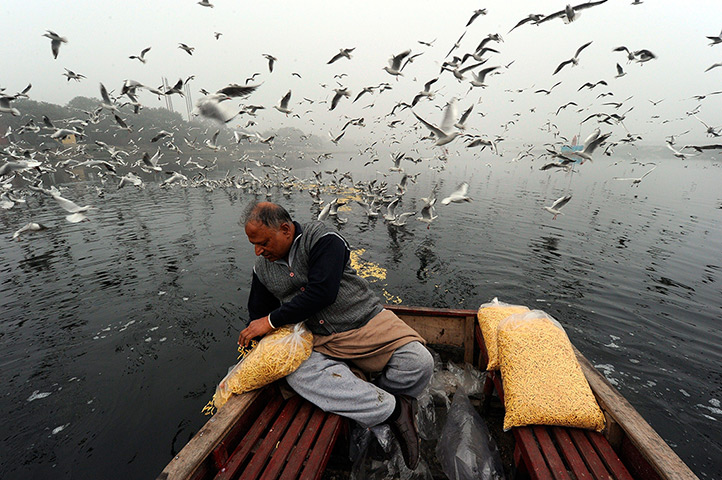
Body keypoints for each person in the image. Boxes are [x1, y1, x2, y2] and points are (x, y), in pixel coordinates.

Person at [237, 201, 433, 470]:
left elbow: (322, 292)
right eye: (254, 245)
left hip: (365, 322)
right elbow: (257, 314)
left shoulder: (324, 239)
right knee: (296, 374)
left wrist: (270, 322)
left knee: (419, 362)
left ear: (285, 229)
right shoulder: (263, 268)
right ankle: (395, 411)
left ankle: (371, 403)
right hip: (318, 339)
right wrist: (256, 342)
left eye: (263, 242)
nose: (259, 251)